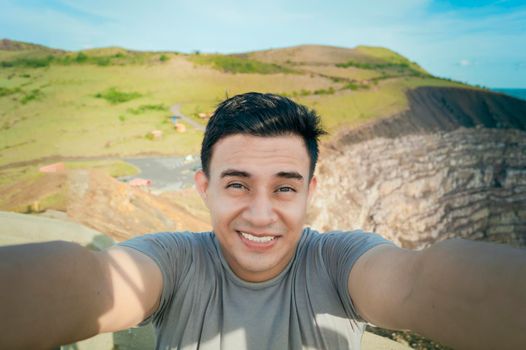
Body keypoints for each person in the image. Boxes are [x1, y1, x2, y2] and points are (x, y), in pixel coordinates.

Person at [1, 92, 525, 350]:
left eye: (284, 187)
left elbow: (421, 282)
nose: (260, 212)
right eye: (236, 184)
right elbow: (95, 282)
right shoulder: (175, 260)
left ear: (310, 193)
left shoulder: (339, 261)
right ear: (203, 188)